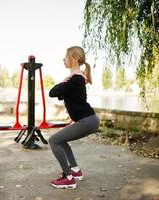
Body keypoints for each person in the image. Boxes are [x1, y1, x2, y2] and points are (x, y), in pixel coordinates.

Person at [48, 46, 100, 189]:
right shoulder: (75, 80)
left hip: (87, 120)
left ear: (75, 59)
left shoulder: (76, 79)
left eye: (66, 57)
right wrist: (65, 83)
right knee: (61, 140)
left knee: (53, 141)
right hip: (89, 120)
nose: (63, 59)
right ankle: (75, 171)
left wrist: (64, 82)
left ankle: (68, 178)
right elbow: (58, 94)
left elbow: (52, 92)